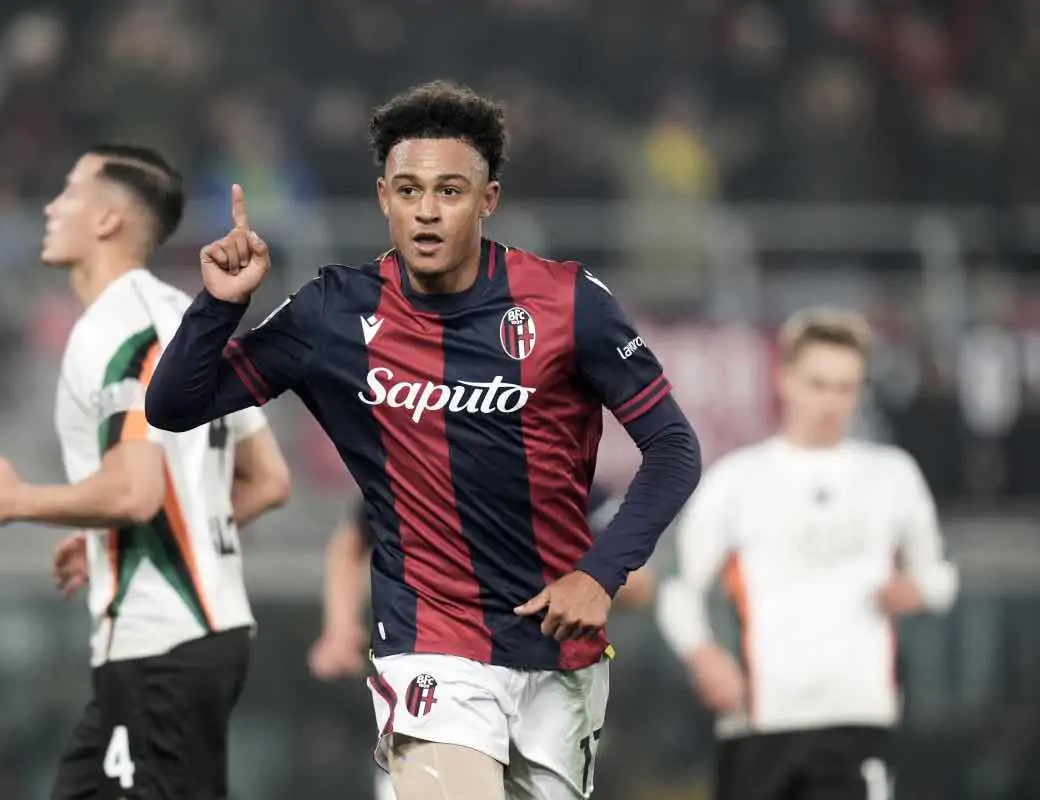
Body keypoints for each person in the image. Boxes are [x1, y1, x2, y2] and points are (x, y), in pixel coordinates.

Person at [145, 81, 702, 800]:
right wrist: (218, 307)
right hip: (429, 643)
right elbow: (175, 405)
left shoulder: (568, 303)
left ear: (488, 199)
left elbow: (674, 448)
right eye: (409, 191)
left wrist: (600, 574)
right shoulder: (333, 312)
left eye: (449, 191)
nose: (427, 211)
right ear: (384, 198)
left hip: (559, 654)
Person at [0, 143, 292, 799]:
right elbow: (268, 479)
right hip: (190, 640)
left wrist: (16, 499)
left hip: (163, 644)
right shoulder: (187, 320)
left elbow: (134, 491)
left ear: (108, 218)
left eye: (69, 191)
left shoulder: (118, 327)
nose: (51, 207)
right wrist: (110, 535)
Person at [656, 308, 959, 800]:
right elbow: (678, 589)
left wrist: (917, 589)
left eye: (846, 387)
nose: (831, 401)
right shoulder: (737, 480)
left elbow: (942, 578)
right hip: (759, 717)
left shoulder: (891, 475)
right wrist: (703, 656)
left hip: (857, 713)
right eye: (819, 384)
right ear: (786, 380)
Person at [309, 489, 655, 800]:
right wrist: (340, 627)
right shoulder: (422, 466)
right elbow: (353, 538)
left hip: (548, 681)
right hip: (444, 663)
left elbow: (639, 585)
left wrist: (563, 576)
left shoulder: (567, 479)